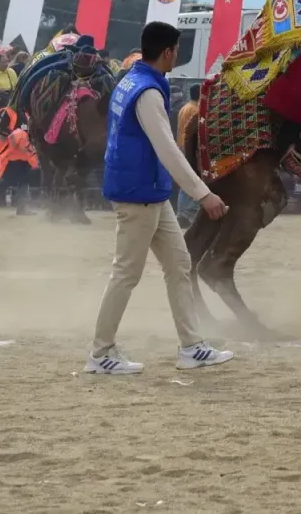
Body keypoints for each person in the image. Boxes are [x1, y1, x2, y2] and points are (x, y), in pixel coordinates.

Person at [84, 22, 233, 375]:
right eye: (176, 50)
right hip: (139, 193)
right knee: (126, 274)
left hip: (148, 190)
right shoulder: (148, 92)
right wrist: (204, 194)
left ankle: (191, 346)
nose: (176, 56)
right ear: (168, 52)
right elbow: (167, 150)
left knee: (179, 265)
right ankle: (100, 352)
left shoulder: (133, 82)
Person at [0, 108, 37, 215]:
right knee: (6, 182)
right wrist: (15, 135)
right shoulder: (7, 113)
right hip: (12, 157)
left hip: (24, 156)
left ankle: (22, 208)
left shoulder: (27, 114)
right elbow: (1, 130)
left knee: (24, 182)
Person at [174, 83, 202, 227]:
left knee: (186, 182)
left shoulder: (185, 108)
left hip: (181, 147)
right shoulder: (196, 110)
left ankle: (181, 213)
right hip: (189, 149)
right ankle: (188, 213)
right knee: (199, 182)